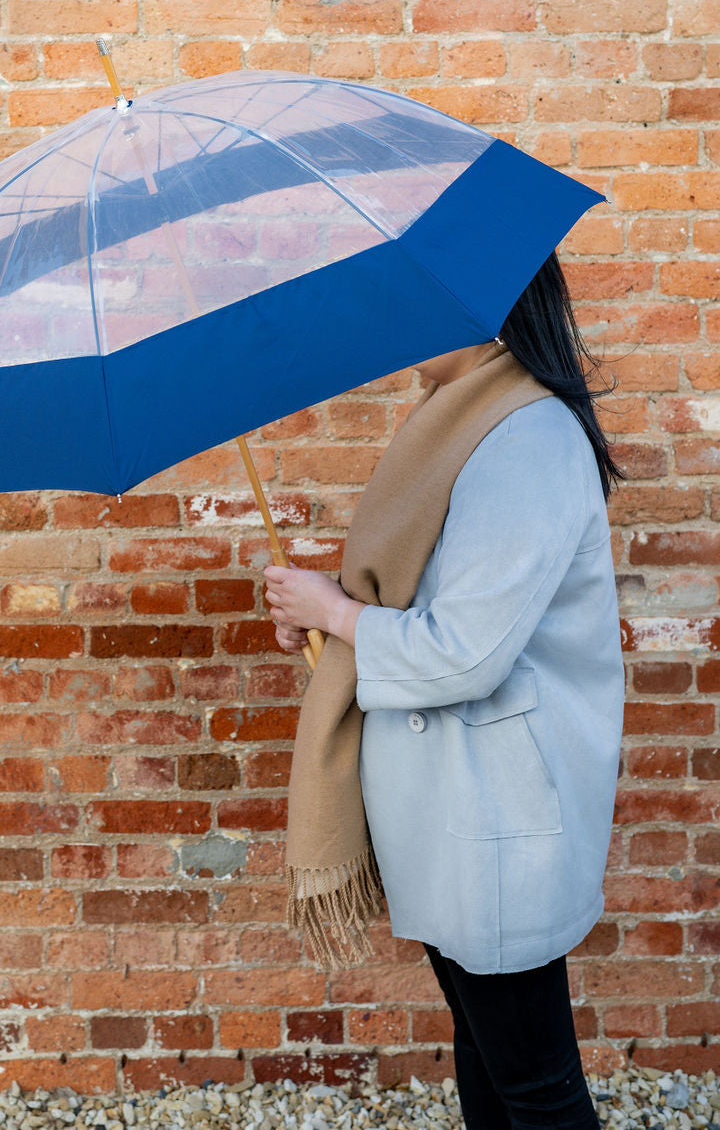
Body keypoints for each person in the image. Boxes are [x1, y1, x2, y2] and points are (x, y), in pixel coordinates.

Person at [264, 252, 625, 1130]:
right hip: (458, 809)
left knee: (535, 1088)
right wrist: (331, 611)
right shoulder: (462, 420)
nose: (399, 322)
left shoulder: (526, 438)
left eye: (420, 300)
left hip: (496, 815)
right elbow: (445, 597)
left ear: (488, 307)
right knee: (489, 1063)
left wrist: (338, 614)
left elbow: (467, 652)